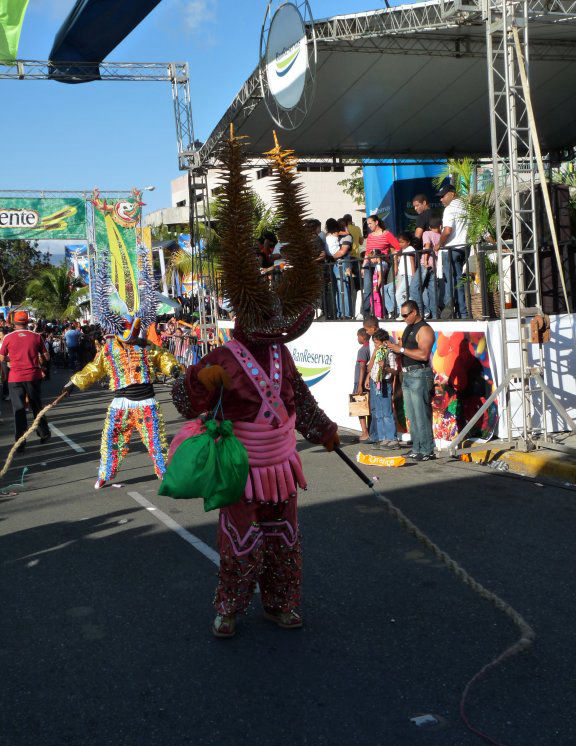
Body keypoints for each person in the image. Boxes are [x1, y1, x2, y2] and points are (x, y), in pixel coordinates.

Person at [170, 131, 339, 638]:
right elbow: (183, 402)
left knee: (284, 540)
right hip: (241, 469)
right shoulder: (222, 355)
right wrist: (199, 380)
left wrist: (324, 430)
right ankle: (230, 604)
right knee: (240, 544)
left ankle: (281, 603)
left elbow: (300, 401)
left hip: (282, 468)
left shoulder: (282, 354)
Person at [63, 260, 181, 489]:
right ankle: (105, 475)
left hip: (147, 404)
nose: (133, 340)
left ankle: (165, 475)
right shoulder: (109, 349)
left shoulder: (147, 346)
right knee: (111, 441)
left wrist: (175, 369)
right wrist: (73, 383)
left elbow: (164, 358)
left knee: (157, 444)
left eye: (135, 335)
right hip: (121, 405)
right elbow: (94, 369)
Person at [384, 300, 436, 461]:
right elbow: (404, 350)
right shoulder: (408, 328)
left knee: (421, 415)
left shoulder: (425, 329)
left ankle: (427, 450)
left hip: (420, 375)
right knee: (412, 416)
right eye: (402, 315)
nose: (404, 317)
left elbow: (423, 355)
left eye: (406, 315)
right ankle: (417, 448)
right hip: (407, 375)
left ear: (415, 312)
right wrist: (394, 348)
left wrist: (400, 349)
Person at [0, 310, 51, 451]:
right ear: (27, 322)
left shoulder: (8, 338)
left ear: (14, 323)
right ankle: (44, 433)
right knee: (36, 406)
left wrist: (13, 359)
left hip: (15, 378)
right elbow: (46, 356)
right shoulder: (36, 337)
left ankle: (20, 442)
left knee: (19, 409)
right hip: (33, 376)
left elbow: (2, 358)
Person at [435, 183, 469, 318]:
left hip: (451, 249)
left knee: (451, 283)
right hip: (465, 248)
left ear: (452, 194)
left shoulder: (450, 209)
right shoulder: (467, 206)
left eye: (443, 196)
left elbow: (447, 230)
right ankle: (463, 313)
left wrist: (439, 244)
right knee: (459, 281)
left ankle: (452, 314)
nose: (441, 199)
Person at [362, 215, 400, 316]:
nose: (369, 226)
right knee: (367, 288)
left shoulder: (386, 234)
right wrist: (363, 265)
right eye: (368, 224)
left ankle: (382, 312)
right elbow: (367, 252)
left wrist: (394, 258)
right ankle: (365, 312)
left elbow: (398, 247)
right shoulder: (370, 236)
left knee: (379, 288)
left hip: (381, 263)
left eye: (370, 223)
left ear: (376, 222)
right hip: (369, 264)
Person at [366, 329, 398, 448]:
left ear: (384, 342)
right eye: (374, 343)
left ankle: (392, 438)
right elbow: (369, 368)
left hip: (384, 382)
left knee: (386, 412)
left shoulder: (389, 353)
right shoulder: (376, 352)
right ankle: (382, 438)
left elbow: (394, 371)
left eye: (377, 343)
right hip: (375, 383)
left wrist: (385, 367)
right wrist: (374, 354)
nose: (376, 345)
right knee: (378, 412)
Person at [410, 216, 442, 319]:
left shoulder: (426, 233)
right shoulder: (441, 236)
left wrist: (425, 260)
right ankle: (435, 316)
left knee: (414, 289)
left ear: (429, 226)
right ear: (440, 226)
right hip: (435, 266)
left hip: (426, 264)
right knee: (432, 292)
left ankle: (424, 310)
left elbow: (427, 246)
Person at [326, 217, 353, 318]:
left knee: (341, 288)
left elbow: (342, 251)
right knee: (341, 288)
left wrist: (330, 256)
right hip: (338, 263)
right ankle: (342, 313)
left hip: (339, 263)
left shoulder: (331, 236)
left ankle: (343, 313)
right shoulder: (336, 236)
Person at [384, 232, 415, 319]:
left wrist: (413, 275)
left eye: (402, 242)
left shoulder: (410, 249)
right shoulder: (404, 251)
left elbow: (412, 262)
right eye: (399, 242)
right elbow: (396, 268)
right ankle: (401, 312)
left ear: (408, 242)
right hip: (402, 275)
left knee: (399, 294)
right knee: (401, 293)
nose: (400, 244)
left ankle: (403, 314)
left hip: (408, 275)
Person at [353, 328, 371, 441]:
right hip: (367, 382)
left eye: (358, 336)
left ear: (363, 337)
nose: (357, 338)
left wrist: (359, 385)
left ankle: (365, 433)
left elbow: (362, 367)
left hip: (360, 382)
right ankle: (368, 431)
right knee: (368, 408)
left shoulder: (363, 350)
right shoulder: (371, 348)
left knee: (359, 408)